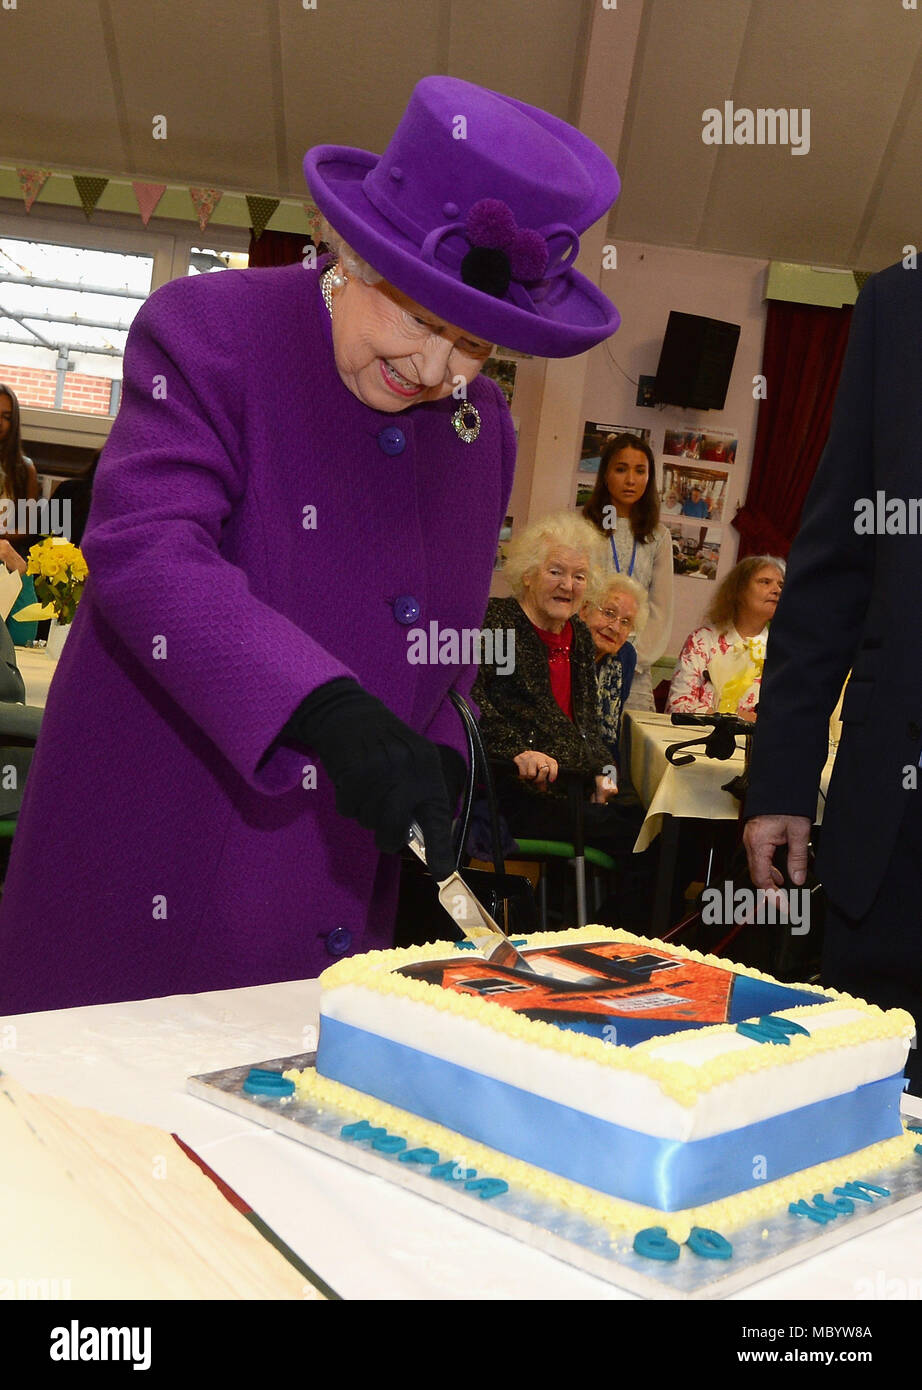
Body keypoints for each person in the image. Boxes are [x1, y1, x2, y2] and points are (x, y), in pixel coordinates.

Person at [0, 76, 621, 1013]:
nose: (436, 369)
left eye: (477, 346)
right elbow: (147, 549)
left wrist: (445, 749)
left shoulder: (481, 427)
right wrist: (324, 709)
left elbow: (442, 643)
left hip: (328, 893)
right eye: (418, 316)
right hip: (157, 861)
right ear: (347, 250)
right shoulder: (212, 330)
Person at [742, 263, 922, 1095]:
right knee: (865, 1131)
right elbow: (833, 570)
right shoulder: (900, 303)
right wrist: (781, 779)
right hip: (896, 846)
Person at [472, 512, 642, 858]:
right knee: (642, 841)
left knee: (657, 824)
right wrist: (518, 751)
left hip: (572, 789)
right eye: (556, 572)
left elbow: (590, 727)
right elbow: (474, 701)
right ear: (528, 575)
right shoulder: (499, 622)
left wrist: (604, 775)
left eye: (579, 576)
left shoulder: (577, 634)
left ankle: (601, 913)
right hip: (516, 791)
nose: (568, 585)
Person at [583, 432, 673, 711]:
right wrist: (589, 648)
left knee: (630, 750)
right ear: (605, 474)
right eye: (621, 469)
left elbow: (660, 607)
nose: (631, 480)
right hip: (582, 659)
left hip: (634, 668)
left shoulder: (658, 536)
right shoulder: (581, 525)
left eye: (640, 471)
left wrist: (634, 655)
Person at [666, 555, 785, 718]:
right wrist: (736, 718)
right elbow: (678, 706)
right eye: (765, 582)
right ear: (739, 590)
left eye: (780, 585)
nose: (777, 590)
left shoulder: (782, 651)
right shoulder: (702, 641)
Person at [582, 573, 647, 766]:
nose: (616, 627)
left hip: (602, 763)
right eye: (609, 613)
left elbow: (612, 735)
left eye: (626, 622)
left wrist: (609, 777)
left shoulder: (625, 657)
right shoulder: (568, 647)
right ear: (585, 610)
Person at [0, 383, 42, 642]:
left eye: (6, 417)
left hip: (7, 561)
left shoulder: (24, 468)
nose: (0, 423)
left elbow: (27, 526)